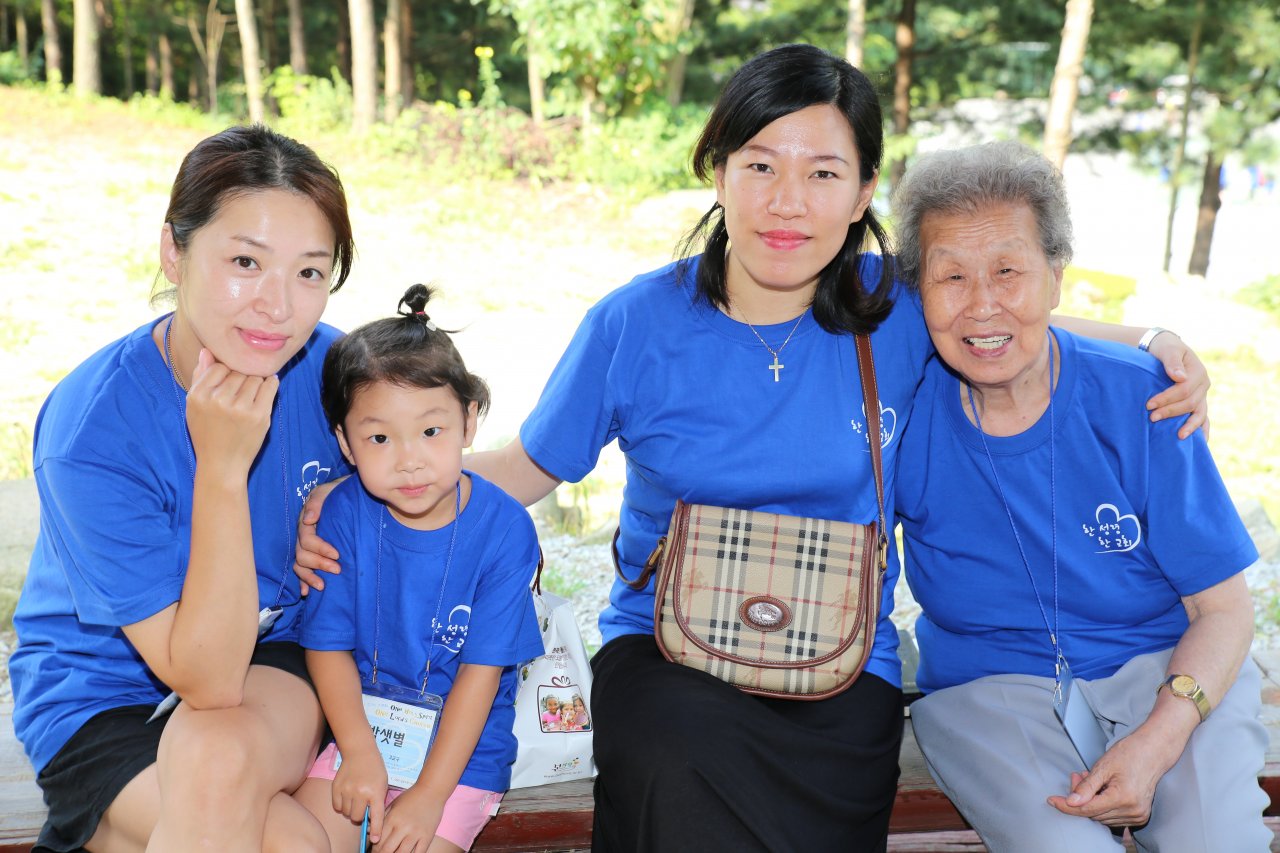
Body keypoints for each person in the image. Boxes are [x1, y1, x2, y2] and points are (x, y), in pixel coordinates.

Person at [297, 45, 1211, 851]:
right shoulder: (636, 323)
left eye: (823, 173)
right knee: (672, 754)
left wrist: (1154, 340)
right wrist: (357, 488)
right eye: (760, 164)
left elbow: (1003, 315)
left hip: (843, 665)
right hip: (667, 652)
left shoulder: (891, 308)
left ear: (863, 193)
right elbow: (521, 469)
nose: (787, 201)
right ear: (718, 170)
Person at [892, 141, 1269, 852]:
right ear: (919, 292)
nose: (981, 303)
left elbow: (1223, 610)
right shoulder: (900, 409)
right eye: (952, 276)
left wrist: (1158, 740)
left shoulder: (1142, 397)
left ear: (1056, 277)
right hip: (989, 688)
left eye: (1009, 271)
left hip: (1165, 666)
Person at [8, 124, 356, 851]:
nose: (277, 306)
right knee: (290, 844)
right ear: (174, 250)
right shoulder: (92, 429)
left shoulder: (335, 376)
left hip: (273, 659)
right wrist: (222, 468)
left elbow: (429, 474)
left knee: (220, 762)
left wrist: (347, 504)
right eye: (245, 262)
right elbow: (206, 679)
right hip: (102, 693)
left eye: (309, 273)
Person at [293, 284, 544, 853]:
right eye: (380, 437)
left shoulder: (505, 530)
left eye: (432, 431)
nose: (409, 460)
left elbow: (481, 676)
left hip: (460, 762)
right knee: (295, 838)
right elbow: (327, 647)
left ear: (469, 421)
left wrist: (430, 794)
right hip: (360, 735)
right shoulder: (343, 514)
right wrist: (358, 752)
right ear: (346, 444)